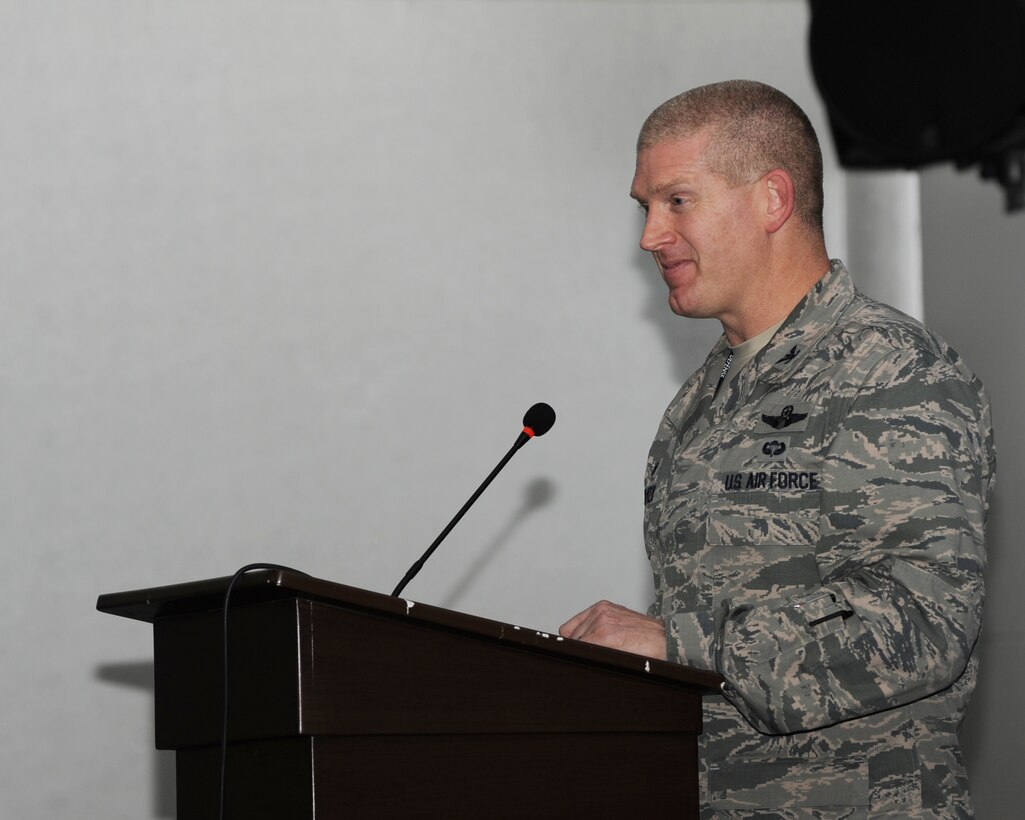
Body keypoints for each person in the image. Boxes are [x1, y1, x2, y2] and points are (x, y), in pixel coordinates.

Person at [559, 80, 995, 818]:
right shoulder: (698, 403)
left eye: (676, 201)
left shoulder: (889, 371)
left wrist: (679, 644)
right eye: (644, 208)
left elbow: (922, 622)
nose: (649, 236)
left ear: (771, 199)